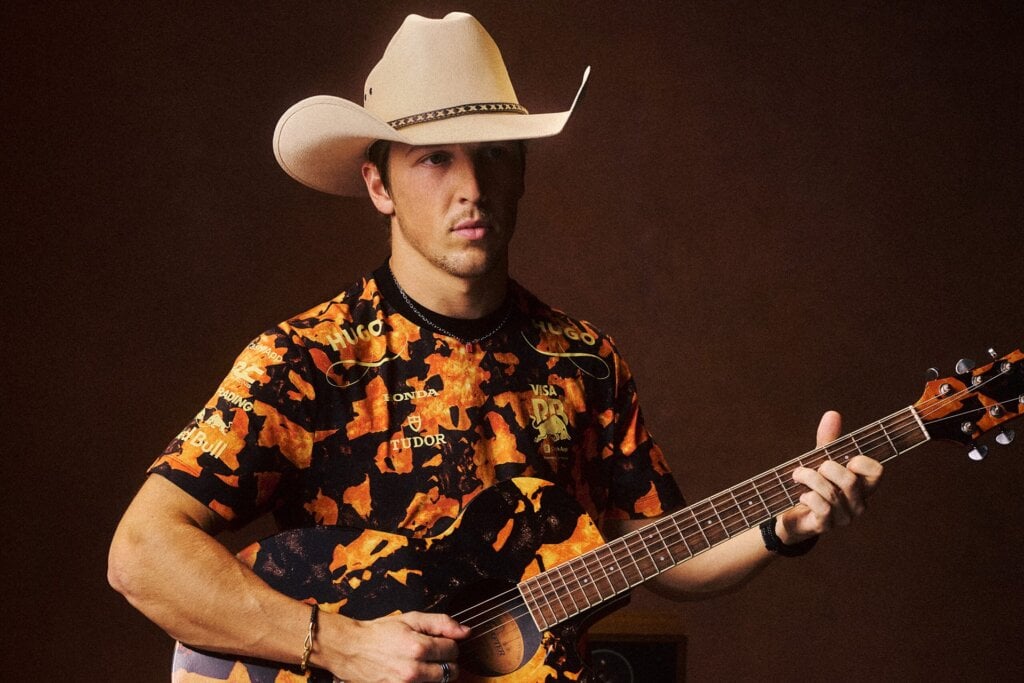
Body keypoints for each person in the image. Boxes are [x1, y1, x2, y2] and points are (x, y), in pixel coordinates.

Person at [108, 12, 882, 683]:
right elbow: (142, 552)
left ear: (523, 171)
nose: (471, 186)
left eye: (495, 153)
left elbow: (652, 546)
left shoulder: (583, 360)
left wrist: (782, 525)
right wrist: (342, 643)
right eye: (435, 157)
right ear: (378, 184)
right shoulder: (308, 360)